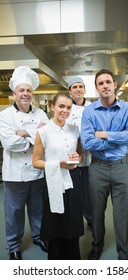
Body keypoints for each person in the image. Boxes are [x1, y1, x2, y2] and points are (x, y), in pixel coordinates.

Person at [81, 69, 128, 260]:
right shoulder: (89, 111)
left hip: (121, 166)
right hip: (98, 167)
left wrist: (105, 134)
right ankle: (97, 246)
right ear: (97, 88)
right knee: (97, 212)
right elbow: (88, 142)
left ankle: (123, 251)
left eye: (108, 82)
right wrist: (119, 138)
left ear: (115, 85)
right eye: (101, 83)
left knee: (122, 213)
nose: (105, 86)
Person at [0, 65, 49, 260]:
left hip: (37, 172)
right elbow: (10, 143)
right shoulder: (4, 116)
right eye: (22, 90)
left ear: (32, 93)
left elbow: (47, 139)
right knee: (14, 212)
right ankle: (13, 246)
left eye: (29, 90)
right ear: (14, 93)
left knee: (38, 209)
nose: (26, 94)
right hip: (14, 174)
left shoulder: (40, 114)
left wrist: (22, 133)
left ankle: (38, 236)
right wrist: (34, 133)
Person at [32, 93, 84, 260]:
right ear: (52, 106)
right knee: (55, 222)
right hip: (53, 181)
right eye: (61, 106)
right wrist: (57, 165)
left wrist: (78, 159)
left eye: (68, 107)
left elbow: (80, 155)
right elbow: (36, 162)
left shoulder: (75, 130)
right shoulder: (43, 132)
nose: (65, 111)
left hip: (73, 179)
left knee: (73, 220)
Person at [67, 77, 92, 227]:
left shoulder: (93, 107)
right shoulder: (67, 108)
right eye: (74, 87)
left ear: (84, 89)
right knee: (74, 193)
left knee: (90, 194)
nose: (78, 89)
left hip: (91, 159)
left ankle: (90, 219)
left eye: (80, 86)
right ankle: (75, 222)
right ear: (70, 90)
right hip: (72, 158)